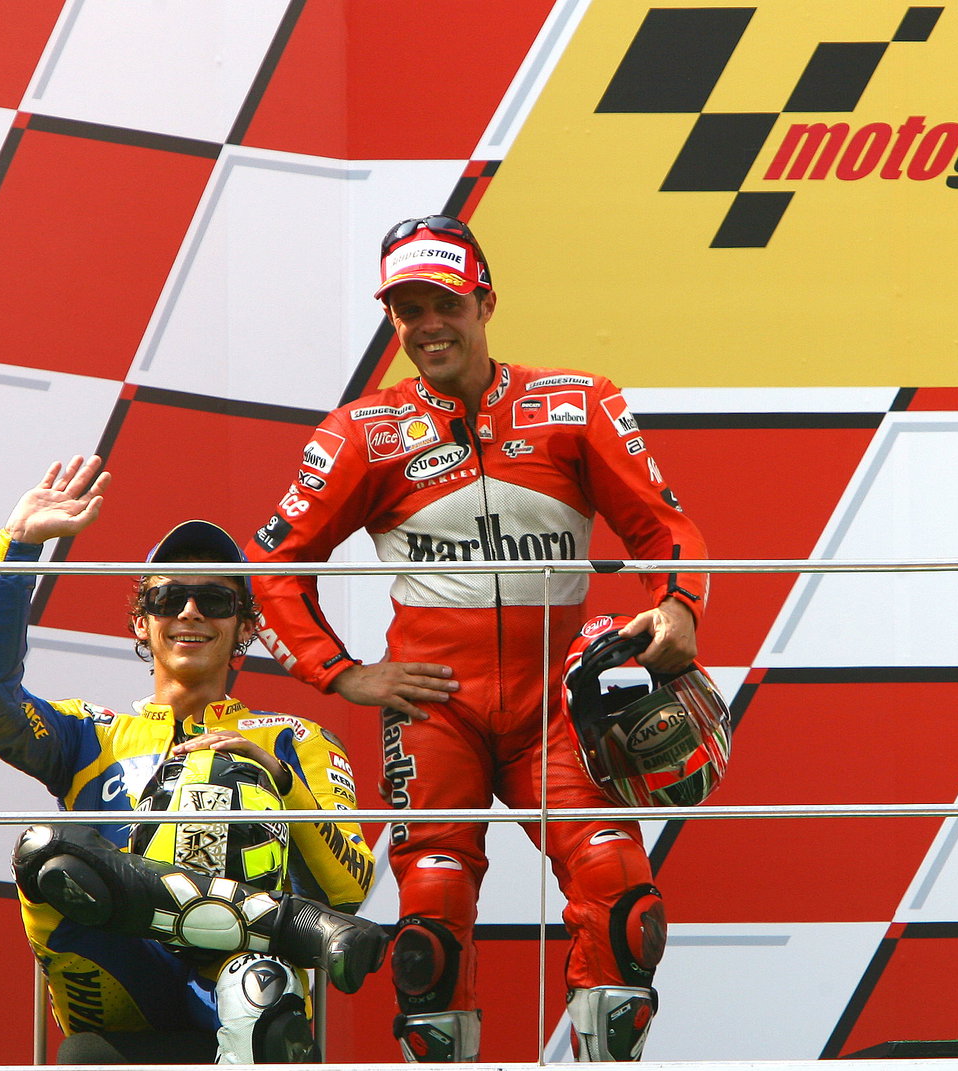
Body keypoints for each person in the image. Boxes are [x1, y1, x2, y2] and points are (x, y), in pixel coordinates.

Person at [244, 215, 709, 1062]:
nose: (427, 325)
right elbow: (270, 566)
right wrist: (340, 673)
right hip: (436, 709)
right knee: (430, 918)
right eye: (407, 309)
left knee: (623, 903)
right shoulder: (363, 431)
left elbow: (665, 528)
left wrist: (677, 607)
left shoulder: (576, 403)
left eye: (444, 303)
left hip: (558, 707)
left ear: (484, 301)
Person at [0, 455, 388, 1064]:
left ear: (245, 629)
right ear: (142, 622)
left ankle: (254, 983)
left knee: (250, 982)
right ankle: (286, 924)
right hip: (119, 994)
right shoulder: (90, 734)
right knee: (45, 847)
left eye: (214, 599)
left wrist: (280, 780)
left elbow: (351, 888)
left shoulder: (294, 739)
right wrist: (19, 548)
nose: (190, 613)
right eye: (169, 598)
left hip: (245, 989)